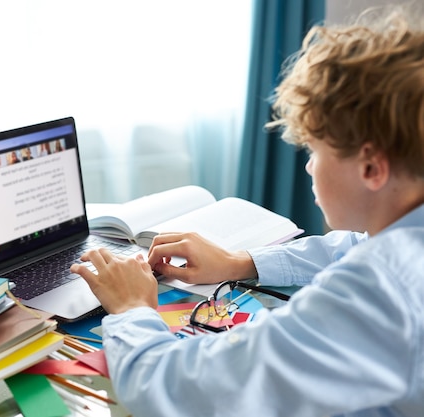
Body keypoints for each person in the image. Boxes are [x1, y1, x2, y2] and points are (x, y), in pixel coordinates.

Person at [70, 7, 424, 417]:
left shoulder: (380, 290)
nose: (309, 166)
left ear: (371, 168)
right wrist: (240, 262)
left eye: (316, 150)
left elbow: (176, 392)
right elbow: (350, 247)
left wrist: (132, 309)